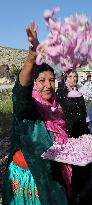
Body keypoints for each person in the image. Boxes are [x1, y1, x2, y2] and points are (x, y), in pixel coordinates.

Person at [2, 22, 68, 205]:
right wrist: (31, 58)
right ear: (34, 83)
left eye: (52, 80)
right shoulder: (28, 107)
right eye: (42, 80)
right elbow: (20, 92)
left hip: (50, 174)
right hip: (29, 178)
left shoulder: (56, 108)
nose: (48, 85)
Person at [56, 70, 92, 205]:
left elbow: (83, 112)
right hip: (67, 132)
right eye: (70, 76)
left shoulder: (79, 93)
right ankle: (69, 194)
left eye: (75, 76)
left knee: (82, 163)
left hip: (81, 131)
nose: (73, 79)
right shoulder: (60, 93)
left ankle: (81, 193)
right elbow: (58, 114)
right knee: (69, 164)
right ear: (65, 77)